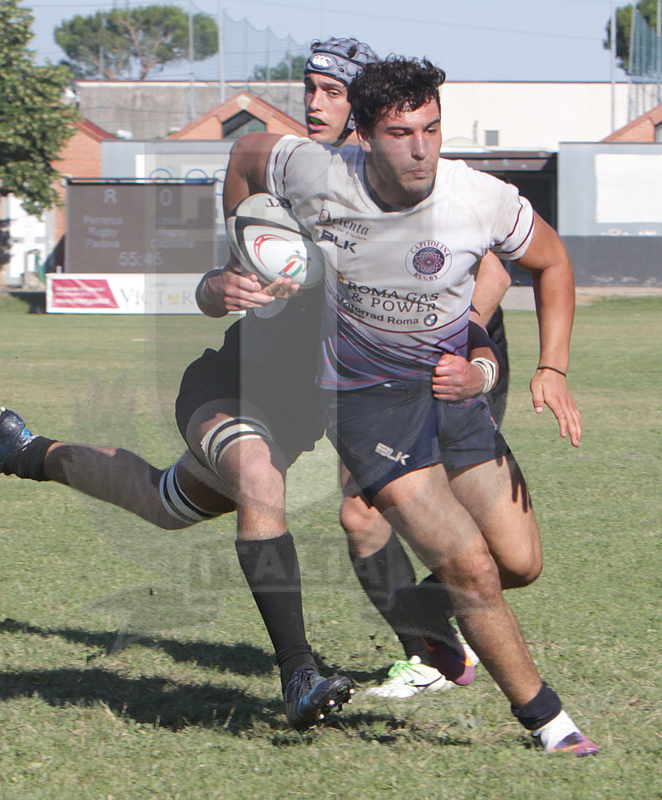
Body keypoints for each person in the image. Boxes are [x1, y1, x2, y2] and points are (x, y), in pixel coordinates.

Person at [0, 41, 502, 729]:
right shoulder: (293, 174)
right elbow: (220, 268)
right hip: (241, 385)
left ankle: (21, 448)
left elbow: (494, 263)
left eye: (332, 91)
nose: (314, 103)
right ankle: (300, 674)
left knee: (164, 502)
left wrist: (466, 338)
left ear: (367, 110)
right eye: (310, 87)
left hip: (328, 403)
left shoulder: (415, 190)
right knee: (266, 483)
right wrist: (227, 276)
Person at [219, 55, 599, 755]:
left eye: (431, 128)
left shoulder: (479, 198)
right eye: (400, 133)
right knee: (471, 568)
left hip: (449, 395)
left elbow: (551, 262)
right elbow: (245, 156)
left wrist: (553, 366)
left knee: (518, 563)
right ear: (363, 135)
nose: (421, 148)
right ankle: (550, 724)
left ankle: (416, 606)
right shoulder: (314, 172)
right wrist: (245, 252)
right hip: (364, 403)